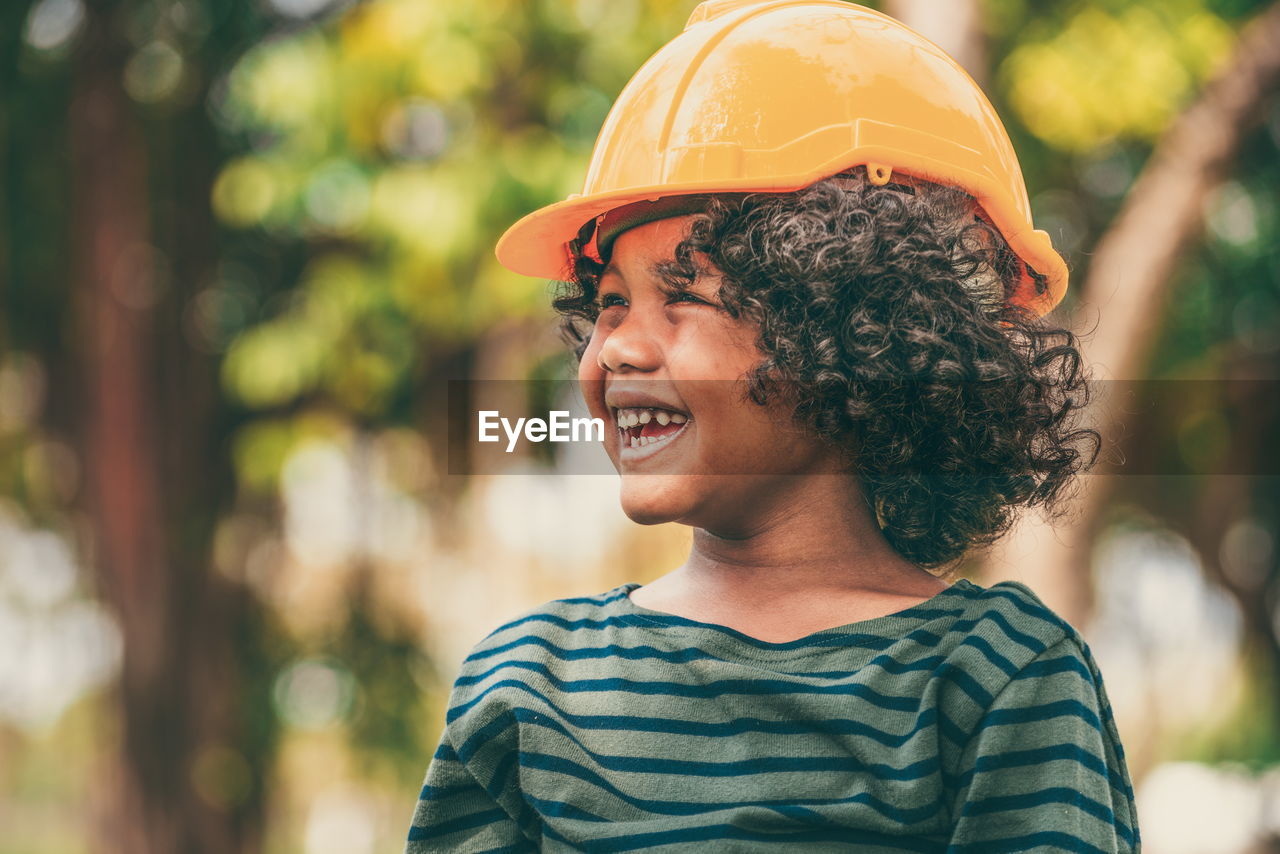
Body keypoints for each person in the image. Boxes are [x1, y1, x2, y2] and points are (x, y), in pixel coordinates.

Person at [404, 1, 1140, 850]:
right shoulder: (526, 687)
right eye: (609, 305)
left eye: (682, 294)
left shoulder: (1003, 678)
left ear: (852, 331)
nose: (620, 349)